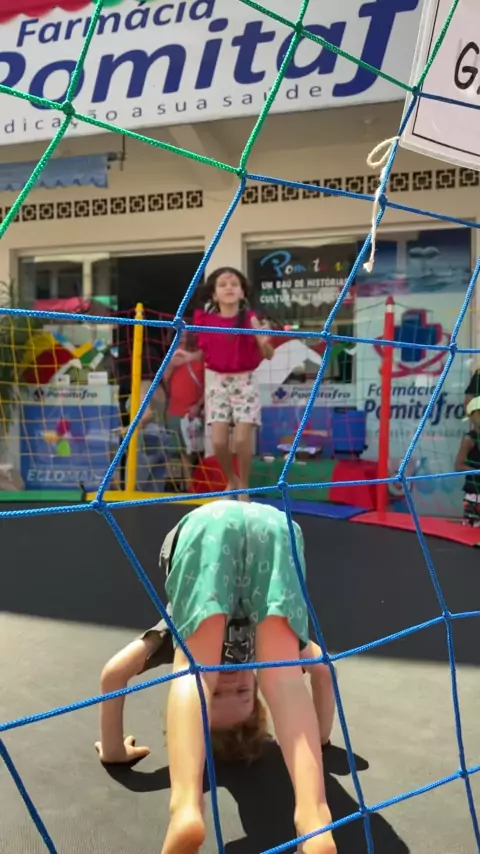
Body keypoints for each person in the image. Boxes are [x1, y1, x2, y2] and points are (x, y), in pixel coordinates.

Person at [95, 500, 337, 854]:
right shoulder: (260, 655)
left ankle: (186, 808)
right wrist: (322, 735)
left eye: (216, 697)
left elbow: (112, 674)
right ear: (255, 695)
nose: (230, 682)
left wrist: (113, 751)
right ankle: (314, 817)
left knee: (194, 673)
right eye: (240, 693)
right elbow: (323, 671)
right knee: (284, 679)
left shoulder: (170, 639)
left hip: (213, 527)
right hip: (275, 529)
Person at [191, 267, 274, 499]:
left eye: (234, 284)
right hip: (219, 381)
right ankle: (232, 480)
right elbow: (207, 350)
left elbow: (269, 355)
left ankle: (244, 484)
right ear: (214, 294)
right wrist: (188, 358)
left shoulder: (251, 319)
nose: (229, 287)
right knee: (218, 442)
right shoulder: (206, 321)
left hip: (245, 381)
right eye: (223, 284)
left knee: (241, 439)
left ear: (242, 293)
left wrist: (262, 341)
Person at [455, 396, 480, 526]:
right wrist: (477, 471)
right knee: (471, 533)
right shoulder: (470, 439)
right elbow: (458, 465)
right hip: (474, 495)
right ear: (472, 416)